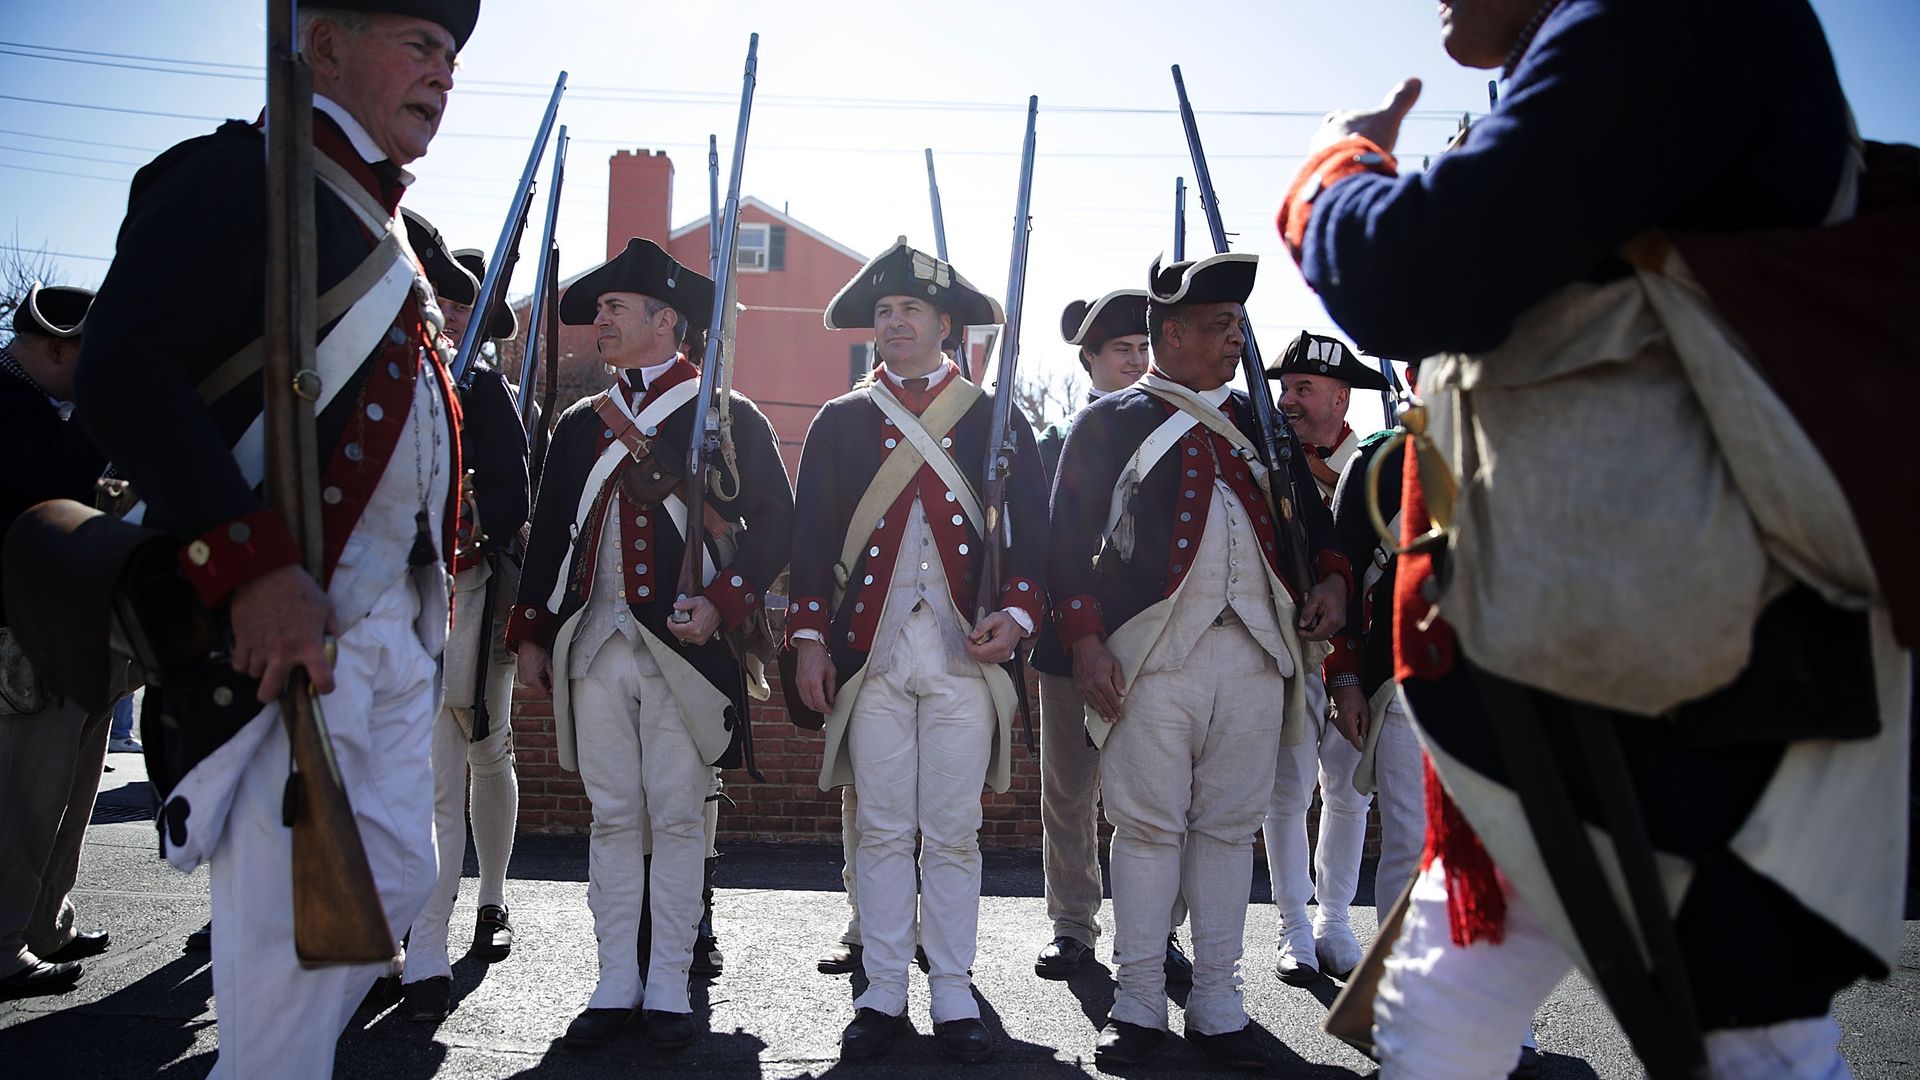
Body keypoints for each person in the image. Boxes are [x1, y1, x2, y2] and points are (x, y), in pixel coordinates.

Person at [1276, 1, 1913, 1076]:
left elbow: (1414, 268)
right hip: (1606, 653)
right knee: (1453, 1011)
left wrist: (1336, 165)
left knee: (1751, 1039)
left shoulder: (1655, 21)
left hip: (1665, 660)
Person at [72, 4, 479, 1075]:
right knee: (288, 949)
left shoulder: (392, 233)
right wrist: (249, 566)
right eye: (420, 45)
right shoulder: (233, 180)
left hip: (391, 630)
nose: (443, 76)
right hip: (285, 628)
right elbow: (122, 369)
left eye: (451, 56)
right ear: (325, 43)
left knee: (389, 883)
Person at [1047, 252, 1352, 1069]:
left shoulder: (1263, 427)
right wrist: (1084, 643)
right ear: (1171, 333)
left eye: (1237, 326)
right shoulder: (1109, 422)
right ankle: (1139, 1002)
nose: (1234, 340)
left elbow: (1319, 531)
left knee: (1228, 830)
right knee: (1145, 830)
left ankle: (1218, 1001)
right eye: (1221, 327)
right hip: (1149, 660)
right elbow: (1066, 548)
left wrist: (1331, 578)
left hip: (1255, 657)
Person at [505, 237, 792, 1051]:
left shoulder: (725, 415)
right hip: (593, 643)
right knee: (611, 817)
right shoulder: (577, 427)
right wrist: (531, 632)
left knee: (674, 816)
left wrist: (724, 604)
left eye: (616, 309)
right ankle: (612, 981)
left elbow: (777, 526)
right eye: (600, 310)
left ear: (666, 321)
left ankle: (668, 981)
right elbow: (549, 535)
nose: (601, 320)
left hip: (684, 649)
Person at [787, 238, 1047, 1063]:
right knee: (885, 828)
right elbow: (812, 541)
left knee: (955, 832)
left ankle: (954, 990)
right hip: (872, 658)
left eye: (909, 312)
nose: (893, 324)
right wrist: (807, 643)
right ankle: (884, 989)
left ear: (945, 324)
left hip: (964, 656)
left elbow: (1039, 542)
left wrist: (1016, 614)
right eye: (883, 312)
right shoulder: (841, 421)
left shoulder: (996, 418)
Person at [1030, 291, 1192, 983]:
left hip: (1155, 641)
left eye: (1141, 349)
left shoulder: (1185, 433)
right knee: (1070, 792)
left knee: (1163, 797)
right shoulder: (1048, 443)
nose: (1135, 361)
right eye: (1120, 351)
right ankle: (1072, 925)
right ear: (1089, 359)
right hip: (1068, 643)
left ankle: (1161, 930)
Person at [394, 211, 529, 1023]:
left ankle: (460, 918)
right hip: (381, 601)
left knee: (476, 756)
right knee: (416, 779)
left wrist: (467, 512)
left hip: (468, 593)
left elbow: (512, 498)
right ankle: (398, 931)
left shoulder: (482, 391)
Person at [1258, 331, 1393, 982]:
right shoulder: (1268, 460)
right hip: (1287, 649)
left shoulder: (1375, 469)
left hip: (1361, 663)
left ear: (1341, 398)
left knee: (1346, 792)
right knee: (1284, 793)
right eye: (1284, 387)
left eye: (1304, 388)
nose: (1288, 400)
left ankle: (1333, 919)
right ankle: (1292, 928)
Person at [0, 283, 116, 999]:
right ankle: (7, 944)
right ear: (54, 347)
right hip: (22, 635)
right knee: (26, 795)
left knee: (66, 790)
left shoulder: (36, 405)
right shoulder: (10, 410)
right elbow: (56, 483)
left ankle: (46, 923)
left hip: (61, 630)